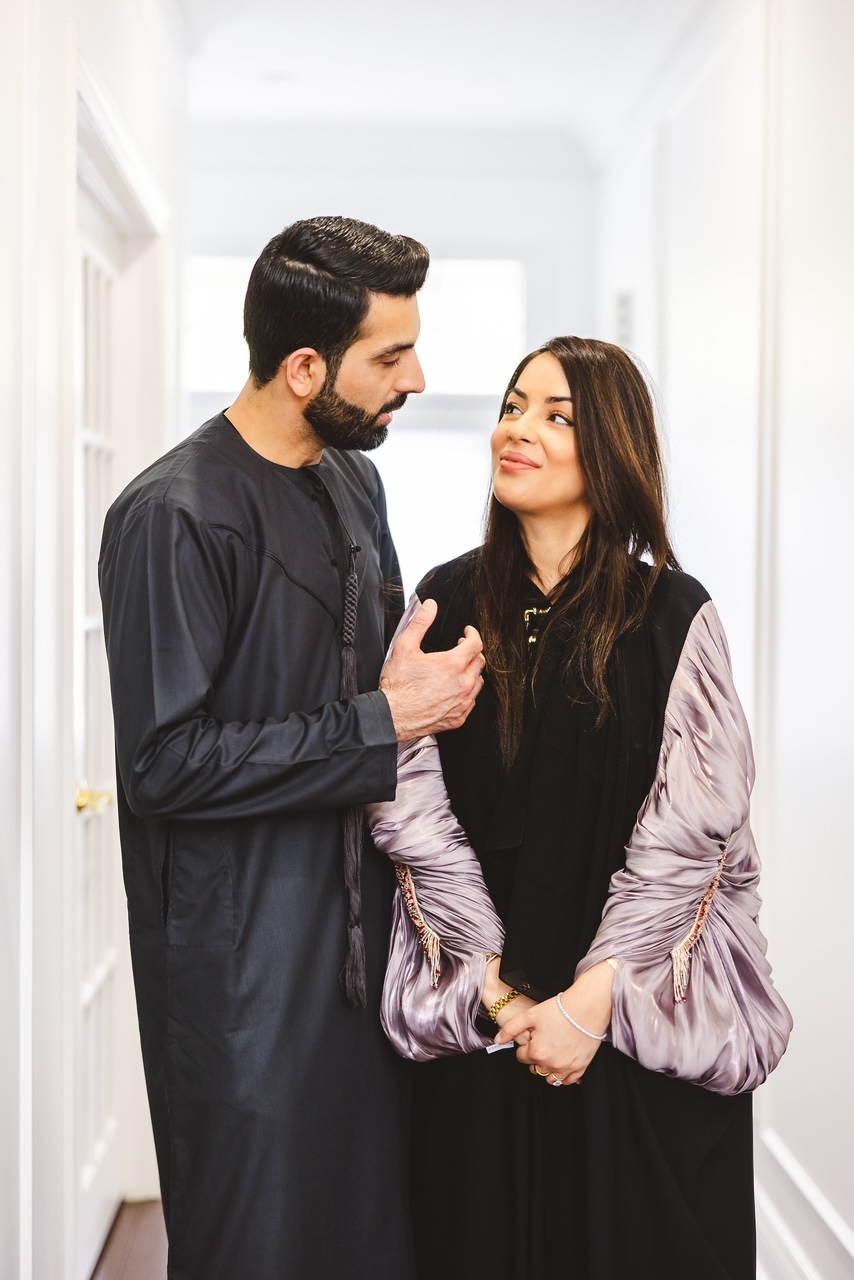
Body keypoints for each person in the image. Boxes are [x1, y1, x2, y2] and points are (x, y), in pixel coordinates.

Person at [98, 216, 486, 1280]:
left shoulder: (353, 481)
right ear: (306, 366)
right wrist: (385, 718)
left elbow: (379, 674)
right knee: (256, 1245)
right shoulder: (172, 516)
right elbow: (164, 763)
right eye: (390, 358)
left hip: (367, 959)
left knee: (373, 1239)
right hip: (240, 974)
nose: (416, 379)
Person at [369, 336, 791, 1279]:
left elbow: (695, 832)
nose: (517, 430)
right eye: (513, 407)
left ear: (611, 450)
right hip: (486, 1027)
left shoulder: (674, 615)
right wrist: (497, 991)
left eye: (556, 416)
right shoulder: (443, 603)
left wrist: (590, 1006)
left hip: (634, 1030)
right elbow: (408, 804)